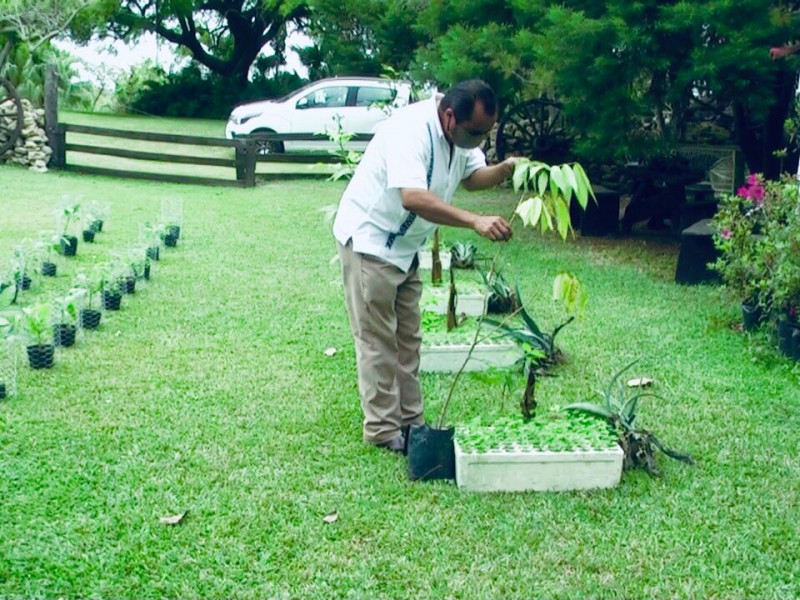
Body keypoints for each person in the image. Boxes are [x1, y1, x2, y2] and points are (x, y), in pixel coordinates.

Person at [332, 79, 520, 453]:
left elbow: (471, 177)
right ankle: (384, 430)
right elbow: (413, 197)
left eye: (487, 133)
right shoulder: (410, 130)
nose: (480, 141)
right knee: (377, 342)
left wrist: (505, 169)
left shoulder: (457, 134)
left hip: (405, 250)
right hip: (372, 243)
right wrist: (474, 221)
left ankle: (412, 423)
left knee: (408, 341)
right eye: (476, 133)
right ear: (450, 118)